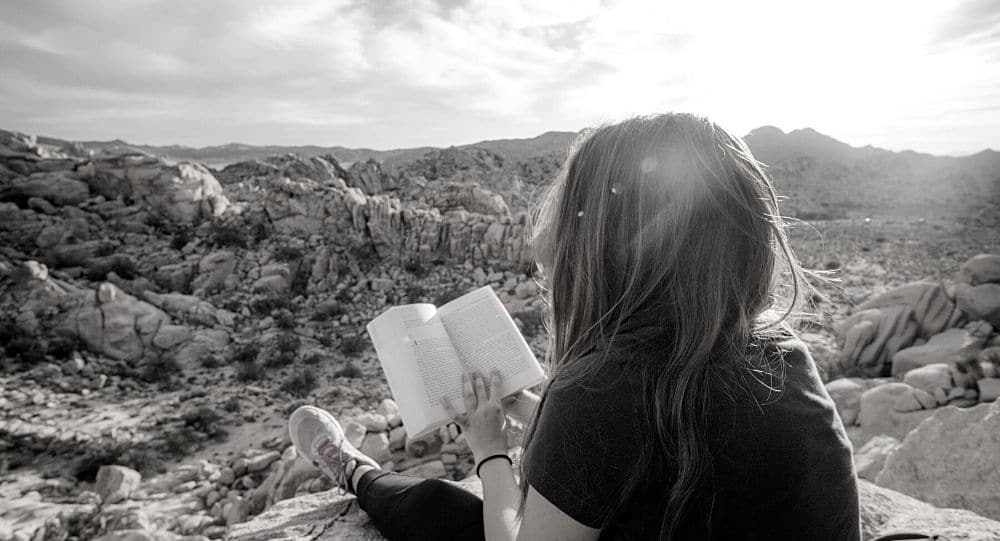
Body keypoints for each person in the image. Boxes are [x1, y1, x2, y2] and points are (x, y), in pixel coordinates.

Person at [288, 113, 861, 540]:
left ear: (602, 249)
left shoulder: (605, 388)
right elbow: (651, 447)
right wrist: (533, 411)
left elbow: (615, 424)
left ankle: (351, 469)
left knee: (442, 512)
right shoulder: (779, 355)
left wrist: (489, 453)